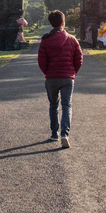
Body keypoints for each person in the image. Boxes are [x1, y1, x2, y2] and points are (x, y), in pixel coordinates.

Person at [38, 10, 83, 148]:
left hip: (51, 78)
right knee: (66, 105)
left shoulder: (45, 40)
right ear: (63, 23)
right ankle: (65, 134)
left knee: (53, 105)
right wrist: (72, 72)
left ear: (51, 23)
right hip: (67, 78)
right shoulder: (72, 39)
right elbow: (79, 58)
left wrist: (49, 72)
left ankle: (54, 134)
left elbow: (41, 61)